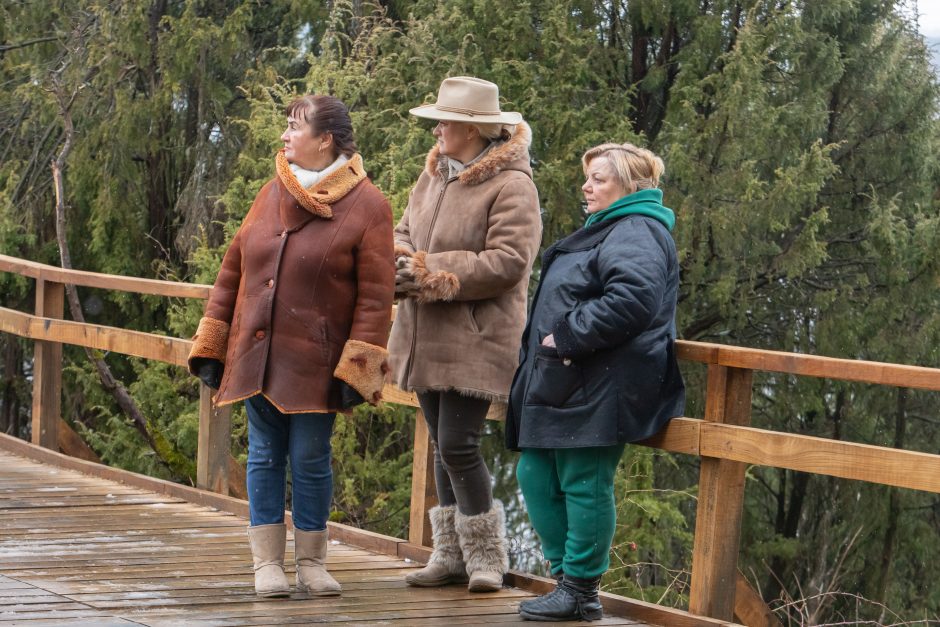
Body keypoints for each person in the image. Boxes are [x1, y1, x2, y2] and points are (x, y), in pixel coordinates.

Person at [187, 94, 395, 598]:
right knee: (262, 456)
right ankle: (266, 565)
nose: (284, 136)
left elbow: (375, 297)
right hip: (257, 355)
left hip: (317, 364)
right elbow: (232, 270)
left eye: (294, 127)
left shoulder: (368, 206)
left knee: (309, 458)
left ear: (325, 140)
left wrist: (359, 370)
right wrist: (213, 342)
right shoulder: (269, 192)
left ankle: (311, 563)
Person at [506, 142, 686, 621]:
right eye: (588, 178)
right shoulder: (611, 228)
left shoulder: (638, 230)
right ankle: (567, 581)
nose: (586, 186)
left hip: (601, 381)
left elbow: (633, 299)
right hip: (570, 377)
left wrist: (564, 335)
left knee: (585, 480)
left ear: (629, 185)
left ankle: (581, 590)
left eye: (599, 179)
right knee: (536, 473)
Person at [388, 76, 542, 592]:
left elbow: (510, 262)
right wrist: (400, 258)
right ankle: (451, 555)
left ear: (474, 131)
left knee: (457, 442)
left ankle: (486, 557)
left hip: (476, 336)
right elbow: (405, 231)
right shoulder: (434, 175)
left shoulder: (513, 185)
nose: (437, 128)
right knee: (441, 442)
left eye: (446, 121)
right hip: (423, 332)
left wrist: (429, 270)